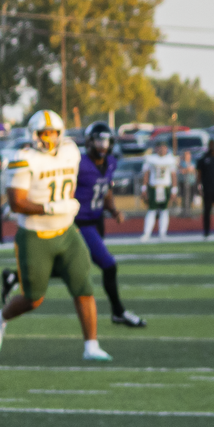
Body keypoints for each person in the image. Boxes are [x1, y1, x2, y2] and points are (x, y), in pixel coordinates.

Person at [0, 109, 109, 362]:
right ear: (34, 134)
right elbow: (16, 202)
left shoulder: (70, 151)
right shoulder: (24, 158)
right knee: (33, 298)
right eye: (44, 133)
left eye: (53, 132)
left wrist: (66, 203)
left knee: (84, 287)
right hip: (35, 235)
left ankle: (91, 345)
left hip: (67, 232)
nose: (49, 138)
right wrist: (50, 207)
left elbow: (70, 182)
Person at [29, 120, 148, 331]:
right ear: (89, 142)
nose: (103, 146)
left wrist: (113, 210)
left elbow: (107, 190)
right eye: (99, 141)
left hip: (96, 220)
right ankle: (118, 312)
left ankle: (15, 275)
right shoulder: (79, 164)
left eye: (106, 141)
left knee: (73, 268)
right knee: (108, 266)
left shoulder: (110, 162)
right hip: (79, 222)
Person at [138, 137, 177, 239]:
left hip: (165, 187)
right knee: (151, 210)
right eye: (159, 147)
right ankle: (147, 233)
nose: (161, 149)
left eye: (163, 147)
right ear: (156, 148)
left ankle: (162, 233)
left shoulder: (170, 159)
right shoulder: (151, 158)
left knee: (164, 210)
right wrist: (144, 188)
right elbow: (146, 173)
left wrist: (174, 189)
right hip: (154, 187)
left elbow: (173, 175)